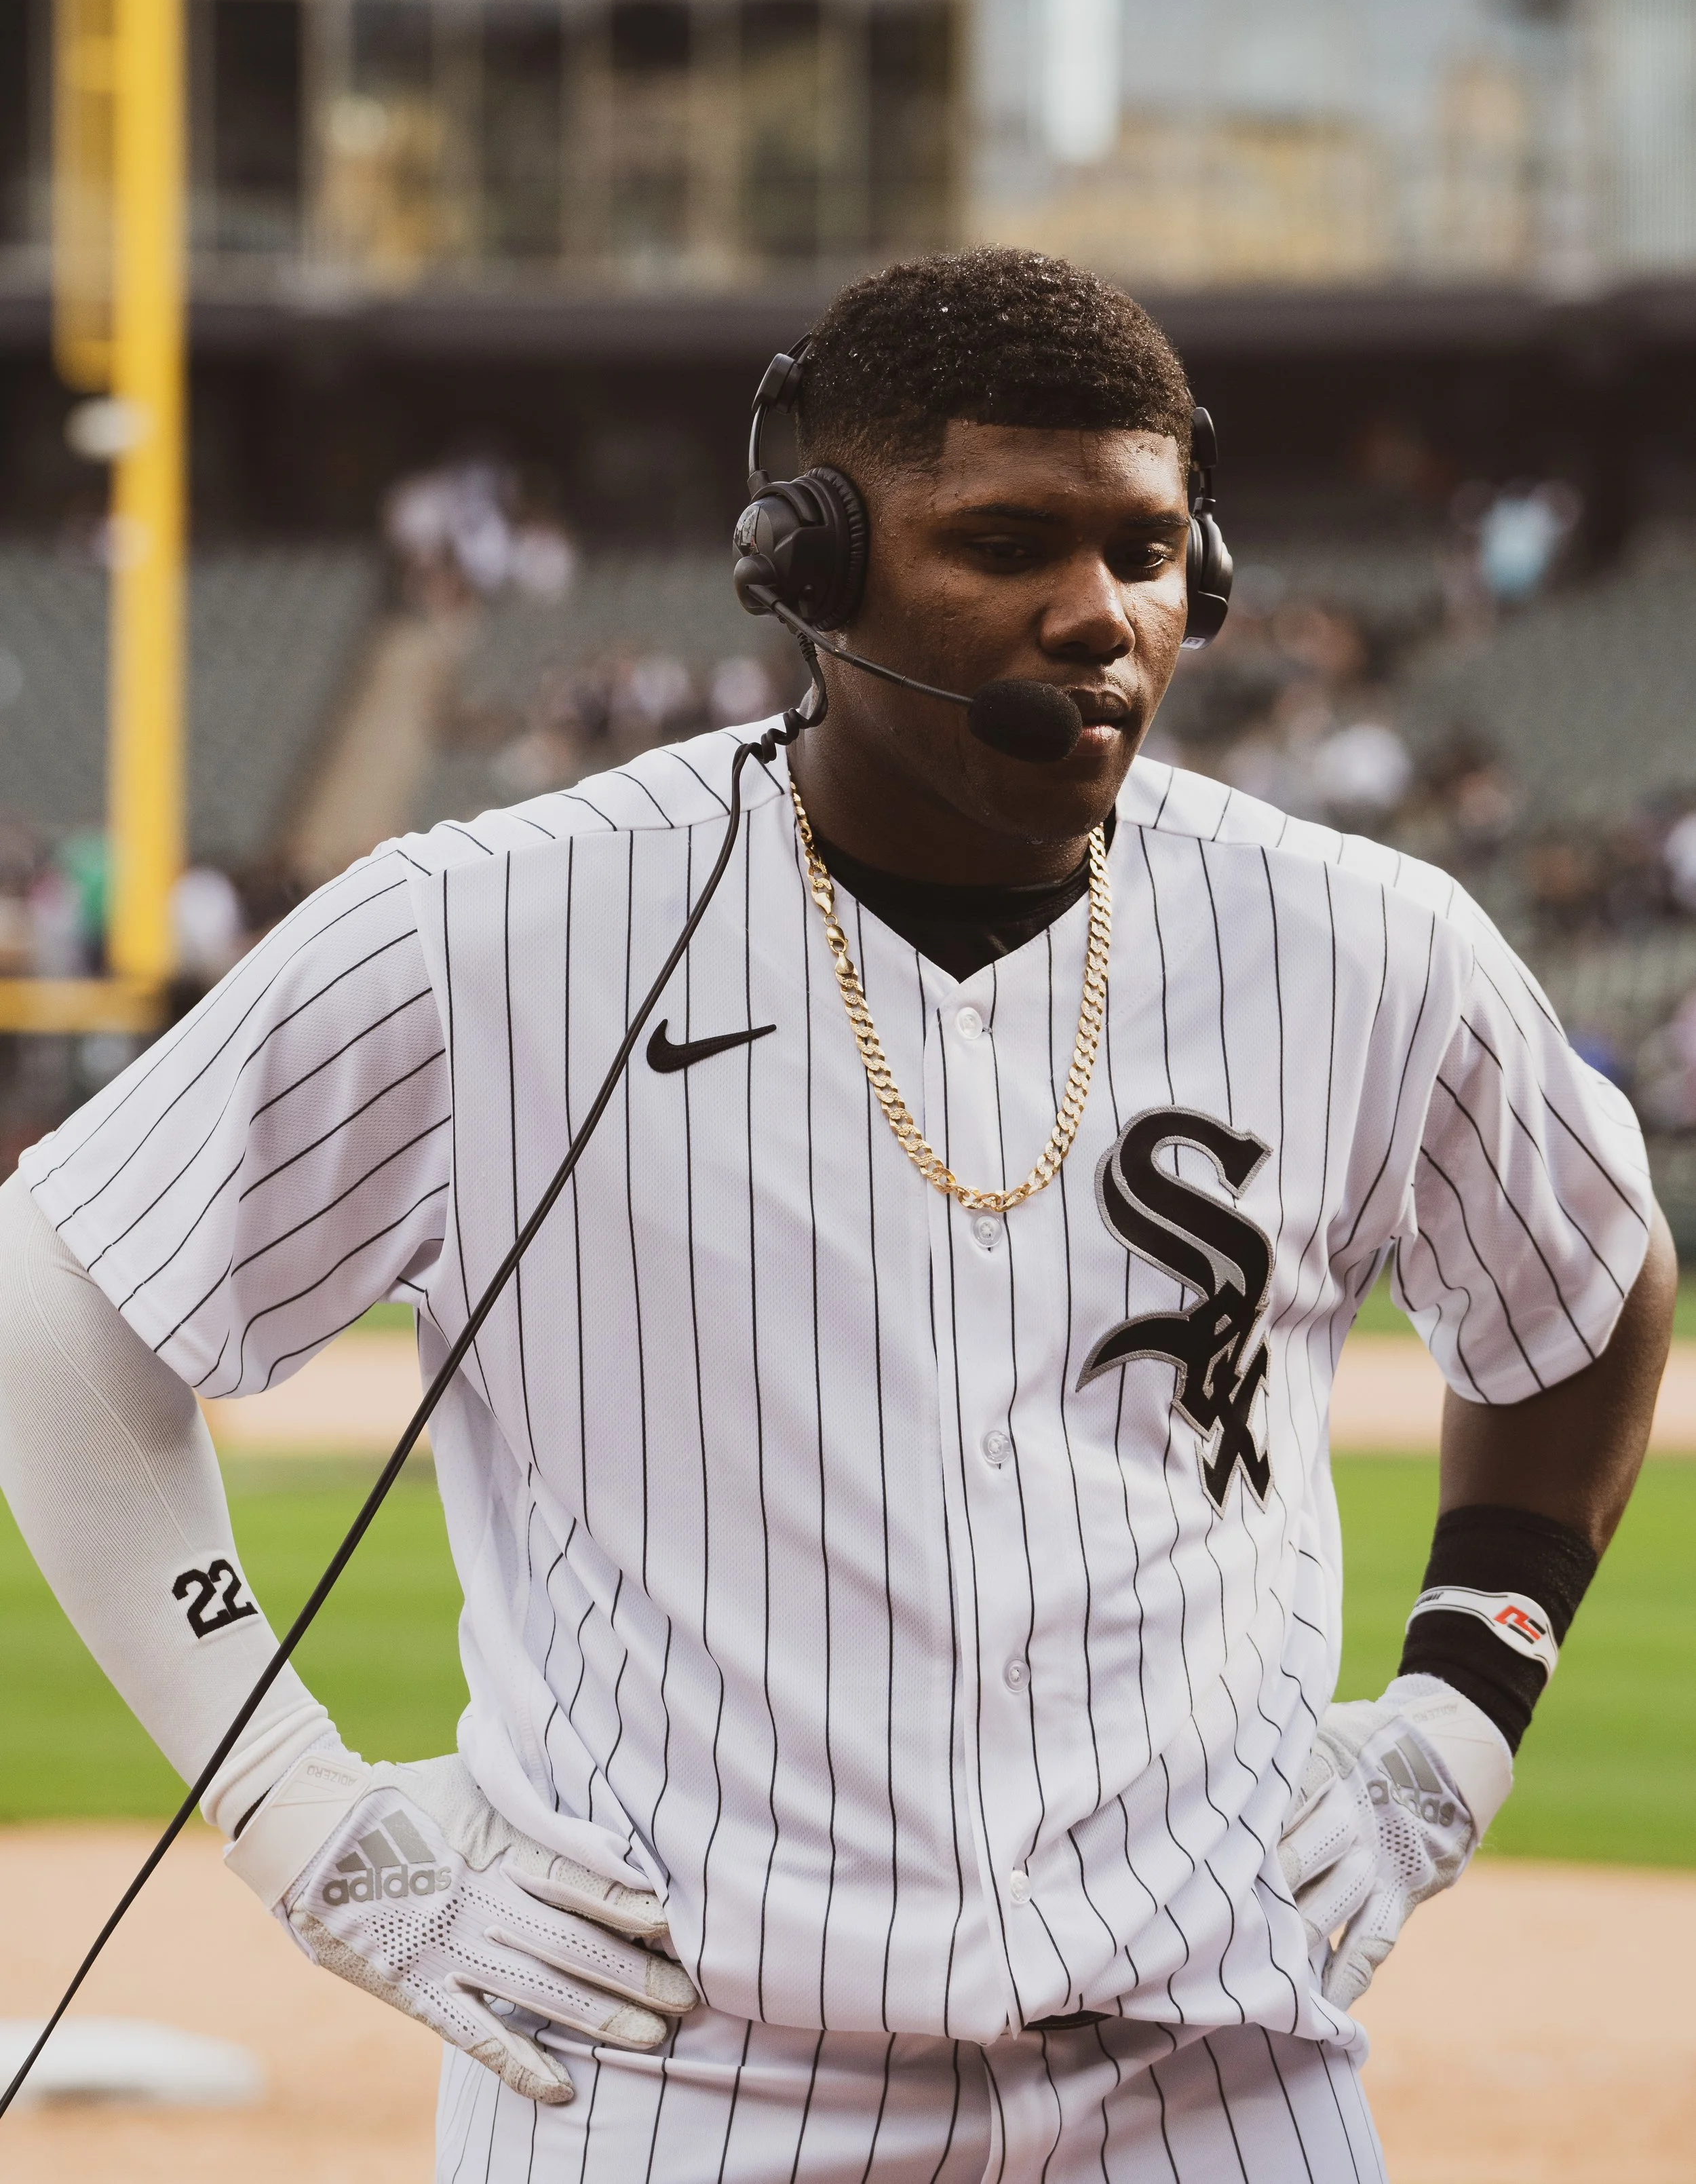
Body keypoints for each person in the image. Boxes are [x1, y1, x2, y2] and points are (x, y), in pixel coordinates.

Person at [0, 249, 1674, 2183]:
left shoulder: (1365, 943)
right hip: (665, 2079)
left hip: (1215, 2075)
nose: (1096, 614)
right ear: (809, 571)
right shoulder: (489, 927)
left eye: (1145, 549)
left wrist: (1462, 1707)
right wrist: (303, 1811)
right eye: (1005, 542)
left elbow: (1588, 1280)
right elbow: (63, 1299)